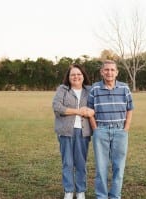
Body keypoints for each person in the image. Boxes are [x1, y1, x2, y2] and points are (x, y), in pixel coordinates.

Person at [87, 60, 134, 199]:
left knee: (119, 167)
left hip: (120, 131)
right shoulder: (95, 88)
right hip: (101, 131)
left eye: (112, 70)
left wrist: (126, 128)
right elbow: (90, 110)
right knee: (101, 168)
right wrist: (95, 128)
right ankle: (101, 196)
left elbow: (130, 109)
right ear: (102, 72)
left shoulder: (125, 88)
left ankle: (115, 196)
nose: (109, 72)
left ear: (117, 72)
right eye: (106, 70)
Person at [52, 64, 94, 199]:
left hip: (83, 132)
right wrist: (78, 111)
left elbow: (95, 107)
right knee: (68, 163)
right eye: (73, 74)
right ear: (68, 77)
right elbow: (57, 107)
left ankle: (81, 190)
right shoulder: (63, 89)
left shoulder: (90, 90)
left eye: (79, 74)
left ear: (83, 76)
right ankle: (69, 190)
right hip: (65, 132)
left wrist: (89, 112)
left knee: (81, 163)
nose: (76, 76)